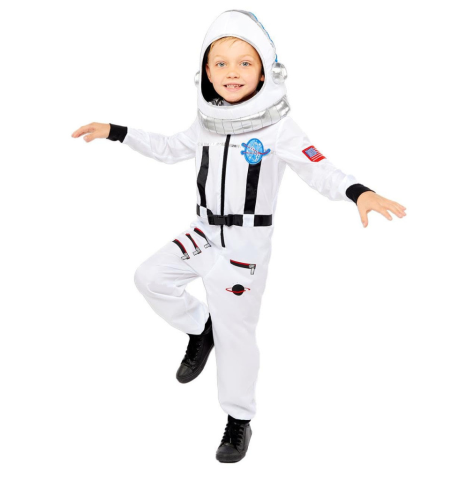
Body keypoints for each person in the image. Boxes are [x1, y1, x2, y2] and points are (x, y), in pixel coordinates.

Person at [71, 9, 406, 463]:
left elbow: (320, 168)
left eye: (245, 63)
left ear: (265, 71)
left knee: (237, 337)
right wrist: (117, 132)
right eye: (221, 63)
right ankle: (199, 327)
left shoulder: (279, 128)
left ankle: (238, 419)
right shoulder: (206, 123)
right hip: (203, 232)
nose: (232, 72)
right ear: (206, 73)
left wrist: (359, 192)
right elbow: (169, 148)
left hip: (244, 248)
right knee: (150, 277)